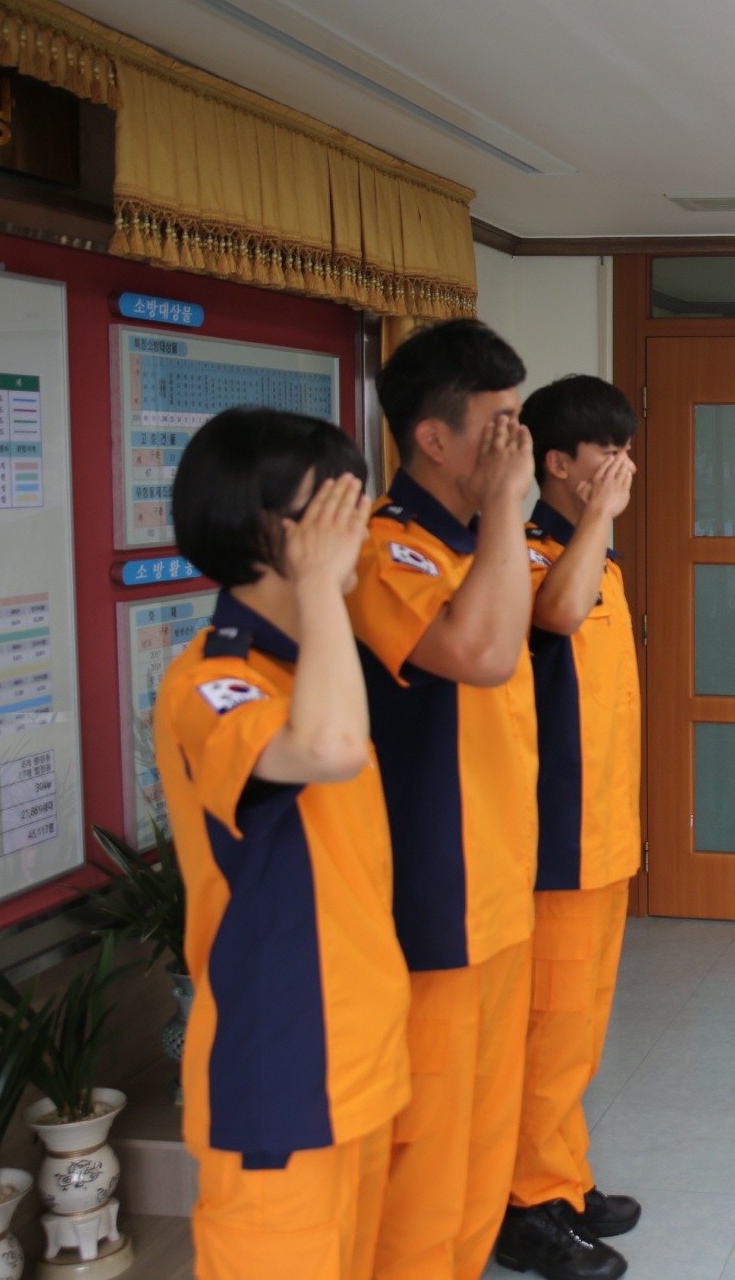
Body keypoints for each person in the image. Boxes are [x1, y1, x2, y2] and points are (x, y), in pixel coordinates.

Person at [155, 407, 410, 1280]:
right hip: (280, 1075)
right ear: (264, 531)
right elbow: (327, 751)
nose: (360, 531)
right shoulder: (212, 680)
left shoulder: (310, 670)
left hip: (358, 1059)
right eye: (334, 510)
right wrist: (320, 590)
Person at [346, 320, 540, 1280]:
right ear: (432, 438)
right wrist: (507, 507)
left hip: (501, 887)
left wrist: (499, 516)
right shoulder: (387, 550)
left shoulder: (475, 544)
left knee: (483, 1143)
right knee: (427, 1152)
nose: (519, 446)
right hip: (435, 898)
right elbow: (480, 654)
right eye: (500, 426)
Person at [495, 376, 642, 1280]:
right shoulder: (526, 552)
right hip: (555, 842)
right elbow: (552, 617)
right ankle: (526, 1206)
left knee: (579, 1030)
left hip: (606, 835)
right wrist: (597, 523)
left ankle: (564, 1176)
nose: (624, 469)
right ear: (557, 463)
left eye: (628, 451)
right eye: (607, 453)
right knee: (550, 1030)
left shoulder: (600, 558)